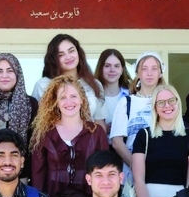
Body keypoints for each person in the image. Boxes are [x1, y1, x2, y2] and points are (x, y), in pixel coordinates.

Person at [109, 52, 165, 187]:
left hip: (162, 171)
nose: (149, 73)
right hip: (131, 176)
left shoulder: (167, 102)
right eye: (144, 69)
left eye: (154, 68)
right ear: (137, 73)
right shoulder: (126, 102)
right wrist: (137, 166)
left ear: (161, 73)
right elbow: (117, 142)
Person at [31, 34, 107, 129]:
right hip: (55, 142)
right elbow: (37, 123)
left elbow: (99, 122)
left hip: (89, 141)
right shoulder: (43, 85)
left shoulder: (94, 84)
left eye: (71, 51)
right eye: (61, 54)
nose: (68, 57)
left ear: (78, 52)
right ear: (54, 59)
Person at [0, 53, 38, 141]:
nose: (4, 76)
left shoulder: (31, 103)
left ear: (17, 74)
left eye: (10, 71)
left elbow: (35, 139)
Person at [95, 48, 131, 124]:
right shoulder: (93, 96)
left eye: (117, 66)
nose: (112, 70)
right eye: (107, 66)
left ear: (122, 70)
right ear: (101, 68)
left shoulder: (131, 95)